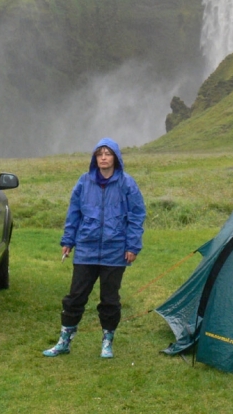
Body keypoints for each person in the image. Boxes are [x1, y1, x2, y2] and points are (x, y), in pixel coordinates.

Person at [43, 138, 146, 359]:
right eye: (99, 154)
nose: (103, 158)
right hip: (86, 250)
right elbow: (74, 213)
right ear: (95, 158)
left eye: (108, 154)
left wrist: (133, 245)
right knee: (75, 297)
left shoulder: (127, 183)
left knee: (109, 300)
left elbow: (137, 216)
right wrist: (68, 241)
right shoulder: (84, 182)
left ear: (116, 158)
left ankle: (107, 343)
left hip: (115, 251)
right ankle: (64, 342)